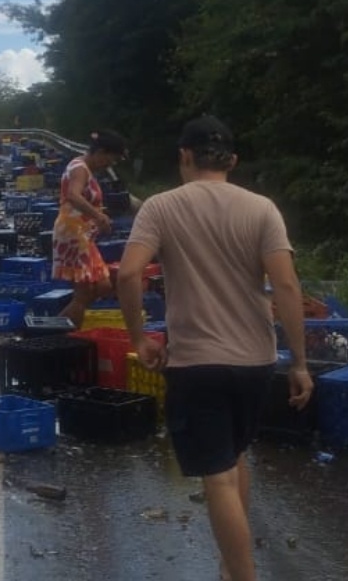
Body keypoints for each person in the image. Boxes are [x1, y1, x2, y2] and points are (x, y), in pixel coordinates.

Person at [116, 115, 314, 581]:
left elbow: (127, 274)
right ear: (232, 160)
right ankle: (231, 566)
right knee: (235, 455)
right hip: (255, 361)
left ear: (184, 156)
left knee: (218, 476)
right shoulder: (262, 208)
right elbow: (285, 284)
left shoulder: (161, 208)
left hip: (197, 362)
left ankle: (242, 576)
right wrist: (300, 363)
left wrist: (139, 338)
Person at [51, 129, 128, 327]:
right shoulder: (79, 168)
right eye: (110, 159)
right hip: (73, 234)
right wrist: (98, 215)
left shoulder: (86, 169)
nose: (109, 165)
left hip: (84, 234)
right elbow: (73, 195)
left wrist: (98, 219)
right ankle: (57, 332)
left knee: (102, 285)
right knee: (83, 294)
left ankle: (57, 325)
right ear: (100, 152)